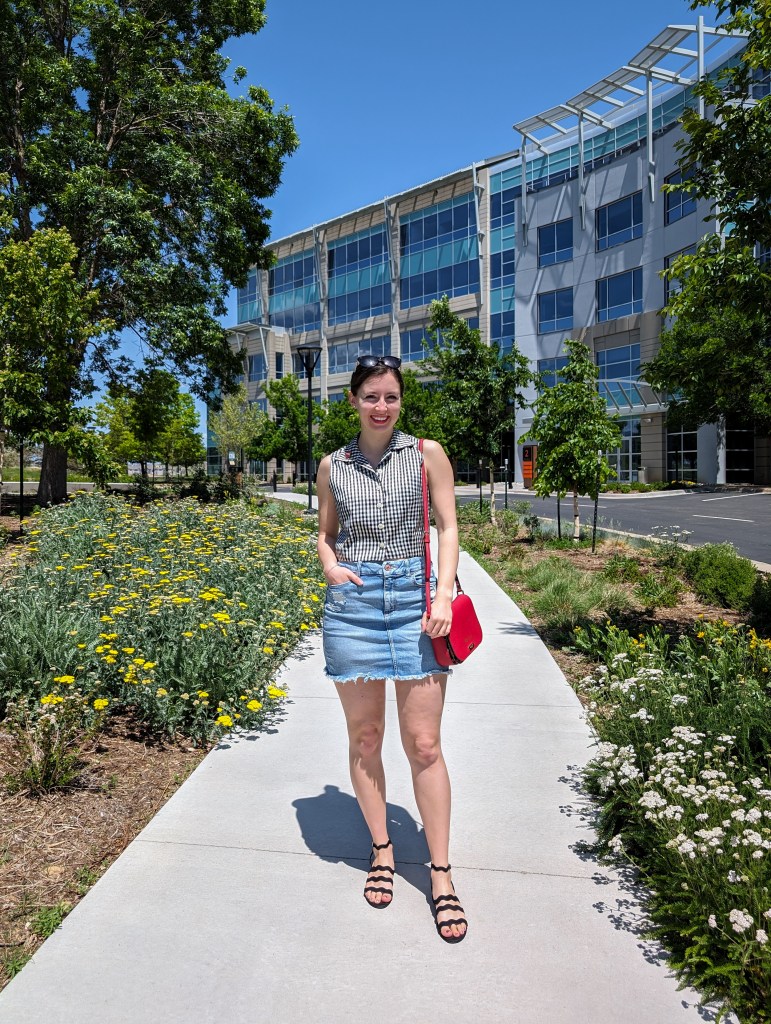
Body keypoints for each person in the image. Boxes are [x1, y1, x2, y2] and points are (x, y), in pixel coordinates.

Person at [315, 354, 467, 944]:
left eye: (392, 397)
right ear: (352, 400)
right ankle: (382, 850)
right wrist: (330, 566)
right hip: (353, 606)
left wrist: (446, 593)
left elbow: (449, 527)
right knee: (366, 738)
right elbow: (325, 534)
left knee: (424, 744)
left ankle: (441, 874)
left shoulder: (426, 454)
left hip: (415, 603)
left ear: (402, 401)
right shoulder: (332, 466)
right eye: (371, 396)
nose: (382, 407)